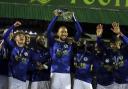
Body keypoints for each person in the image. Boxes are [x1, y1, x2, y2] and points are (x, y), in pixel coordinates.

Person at [46, 10, 82, 89]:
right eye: (62, 32)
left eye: (65, 32)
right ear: (58, 33)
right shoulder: (53, 42)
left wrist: (73, 18)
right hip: (54, 73)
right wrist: (56, 17)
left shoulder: (70, 43)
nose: (64, 33)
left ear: (67, 34)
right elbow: (48, 31)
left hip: (66, 74)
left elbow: (79, 31)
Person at [3, 21, 30, 89]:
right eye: (19, 36)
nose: (21, 37)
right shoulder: (12, 46)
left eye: (23, 36)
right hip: (12, 77)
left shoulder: (29, 51)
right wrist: (13, 26)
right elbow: (5, 36)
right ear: (15, 39)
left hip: (23, 79)